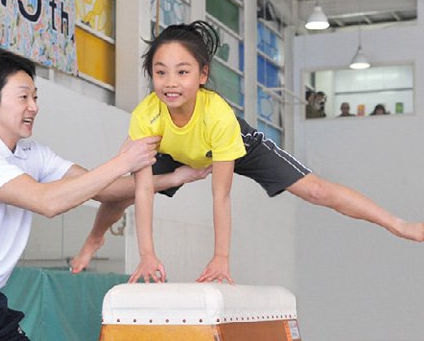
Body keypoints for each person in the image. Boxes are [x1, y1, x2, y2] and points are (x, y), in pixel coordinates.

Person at [71, 21, 424, 284]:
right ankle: (96, 236)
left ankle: (398, 224)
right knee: (122, 191)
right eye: (160, 72)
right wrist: (147, 254)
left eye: (182, 72)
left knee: (316, 191)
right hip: (174, 147)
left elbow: (221, 195)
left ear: (203, 74)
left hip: (233, 144)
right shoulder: (146, 115)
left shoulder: (219, 116)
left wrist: (221, 257)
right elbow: (145, 189)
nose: (170, 82)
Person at [0, 50, 209, 340]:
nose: (33, 107)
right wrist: (124, 161)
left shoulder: (33, 154)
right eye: (23, 97)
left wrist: (172, 178)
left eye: (36, 97)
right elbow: (46, 202)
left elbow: (104, 190)